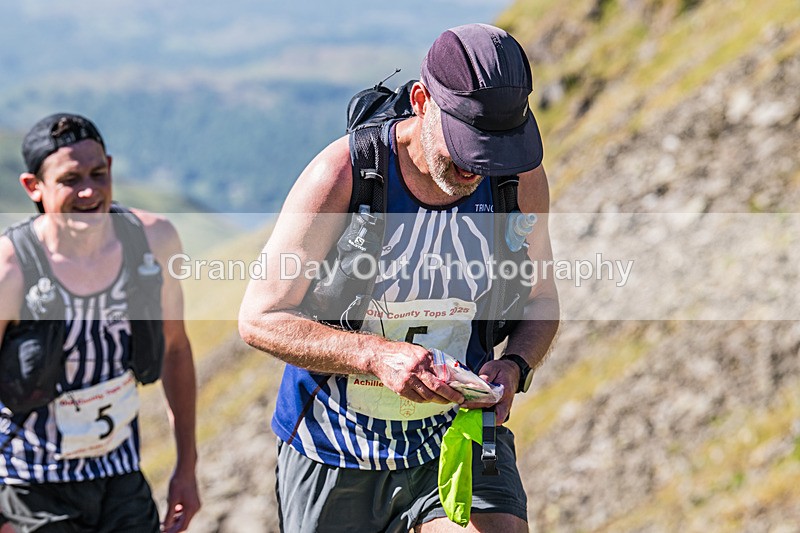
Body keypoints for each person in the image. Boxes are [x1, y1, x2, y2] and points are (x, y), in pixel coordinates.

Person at [239, 23, 559, 532]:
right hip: (334, 450)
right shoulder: (342, 176)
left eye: (494, 151)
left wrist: (517, 364)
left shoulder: (517, 180)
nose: (478, 167)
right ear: (421, 100)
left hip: (456, 436)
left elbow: (542, 301)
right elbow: (260, 317)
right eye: (465, 143)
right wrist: (375, 356)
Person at [0, 113, 200, 532]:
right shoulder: (10, 268)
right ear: (33, 187)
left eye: (98, 173)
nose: (89, 191)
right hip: (31, 483)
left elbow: (176, 351)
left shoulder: (152, 242)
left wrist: (186, 466)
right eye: (71, 179)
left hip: (121, 477)